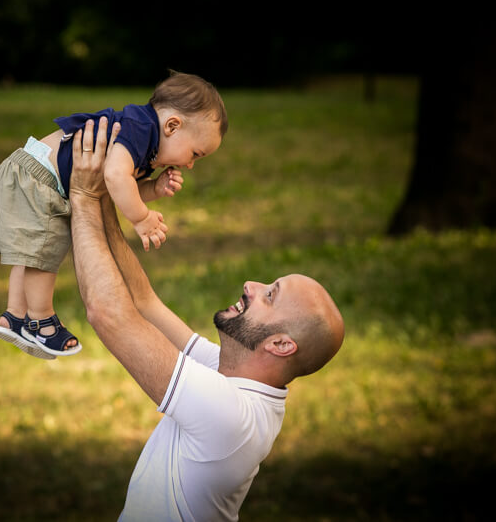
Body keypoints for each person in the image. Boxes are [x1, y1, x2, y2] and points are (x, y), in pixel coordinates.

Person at [69, 118, 344, 521]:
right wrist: (105, 197)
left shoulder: (231, 417)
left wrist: (80, 196)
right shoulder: (235, 374)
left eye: (270, 295)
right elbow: (144, 303)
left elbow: (110, 315)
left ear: (281, 345)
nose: (251, 285)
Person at [0, 71, 227, 359]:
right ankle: (41, 320)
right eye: (195, 154)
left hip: (27, 170)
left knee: (31, 252)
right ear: (172, 126)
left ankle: (15, 315)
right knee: (44, 251)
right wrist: (141, 218)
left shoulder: (145, 140)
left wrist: (155, 187)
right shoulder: (141, 129)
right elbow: (115, 176)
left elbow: (123, 185)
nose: (190, 164)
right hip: (40, 178)